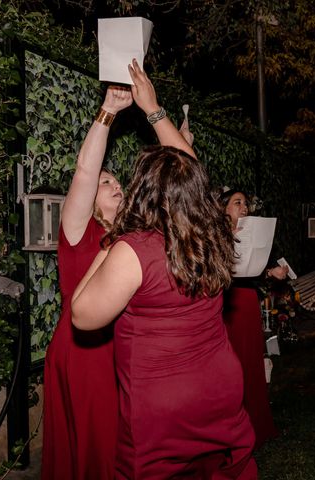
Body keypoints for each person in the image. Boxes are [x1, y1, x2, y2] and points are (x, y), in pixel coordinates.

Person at [41, 59, 196, 480]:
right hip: (86, 350)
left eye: (118, 182)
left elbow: (187, 182)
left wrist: (174, 141)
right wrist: (108, 111)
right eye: (106, 184)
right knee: (98, 444)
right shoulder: (79, 231)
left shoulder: (138, 233)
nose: (115, 186)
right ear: (90, 201)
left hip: (129, 348)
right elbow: (86, 170)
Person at [71, 147, 257, 479]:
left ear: (147, 191)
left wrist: (111, 244)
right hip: (221, 387)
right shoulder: (214, 238)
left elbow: (83, 315)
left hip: (165, 403)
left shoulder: (134, 249)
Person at [219, 188, 285, 449]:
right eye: (237, 203)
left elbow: (252, 270)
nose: (244, 208)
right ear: (223, 208)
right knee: (228, 366)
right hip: (222, 304)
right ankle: (228, 427)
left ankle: (255, 422)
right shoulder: (213, 235)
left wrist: (272, 272)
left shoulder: (251, 234)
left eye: (245, 203)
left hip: (245, 300)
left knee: (250, 361)